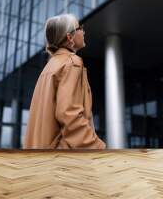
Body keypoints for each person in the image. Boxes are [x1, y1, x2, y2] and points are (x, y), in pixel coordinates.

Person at [23, 14, 106, 149]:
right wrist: (97, 147)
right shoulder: (72, 63)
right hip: (63, 161)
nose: (83, 32)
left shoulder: (49, 68)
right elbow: (70, 115)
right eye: (80, 28)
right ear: (70, 37)